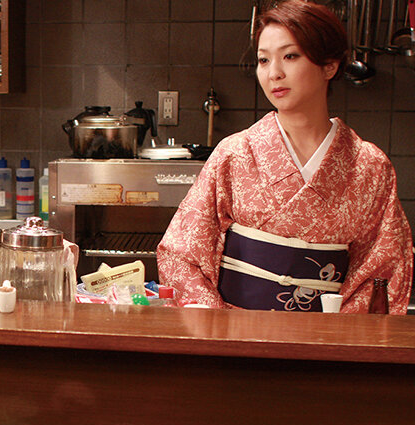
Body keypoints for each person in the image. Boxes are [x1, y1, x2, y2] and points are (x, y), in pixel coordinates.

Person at [157, 0, 412, 313]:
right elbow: (183, 254)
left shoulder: (369, 166)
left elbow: (382, 267)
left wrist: (336, 333)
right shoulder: (235, 154)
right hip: (235, 331)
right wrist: (219, 327)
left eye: (290, 56)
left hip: (328, 335)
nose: (274, 73)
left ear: (329, 66)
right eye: (264, 60)